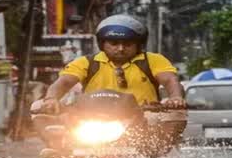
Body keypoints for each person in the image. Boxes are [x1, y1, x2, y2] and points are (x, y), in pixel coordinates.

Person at [37, 14, 186, 111]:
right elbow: (63, 82)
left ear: (138, 45)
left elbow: (169, 80)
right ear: (103, 44)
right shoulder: (86, 63)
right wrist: (51, 99)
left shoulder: (154, 60)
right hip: (93, 122)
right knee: (58, 145)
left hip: (145, 120)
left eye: (127, 44)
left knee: (171, 125)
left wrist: (176, 98)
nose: (120, 49)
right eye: (114, 43)